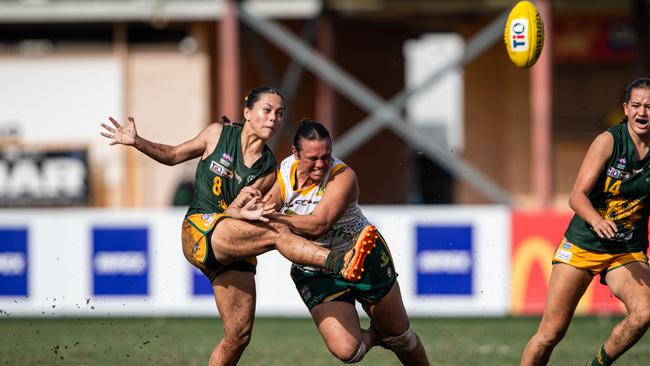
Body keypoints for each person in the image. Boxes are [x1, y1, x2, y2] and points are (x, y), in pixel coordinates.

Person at [99, 87, 377, 366]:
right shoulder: (217, 134)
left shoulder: (269, 168)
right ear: (247, 113)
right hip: (201, 229)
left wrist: (250, 210)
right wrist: (137, 141)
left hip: (233, 244)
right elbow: (172, 155)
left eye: (279, 114)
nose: (273, 119)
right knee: (276, 232)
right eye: (267, 110)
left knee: (239, 336)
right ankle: (338, 262)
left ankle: (367, 312)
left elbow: (240, 209)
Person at [266, 119, 430, 365]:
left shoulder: (343, 175)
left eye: (326, 156)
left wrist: (274, 217)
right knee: (347, 352)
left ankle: (392, 338)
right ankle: (376, 336)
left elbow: (320, 223)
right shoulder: (281, 176)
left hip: (362, 256)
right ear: (295, 153)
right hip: (317, 269)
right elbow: (259, 212)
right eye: (313, 158)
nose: (321, 164)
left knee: (402, 339)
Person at [520, 78, 650, 366]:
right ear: (626, 109)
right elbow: (576, 196)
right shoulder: (608, 141)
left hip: (625, 250)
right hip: (583, 244)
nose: (643, 112)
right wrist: (597, 220)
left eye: (649, 107)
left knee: (644, 314)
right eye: (637, 105)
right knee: (550, 333)